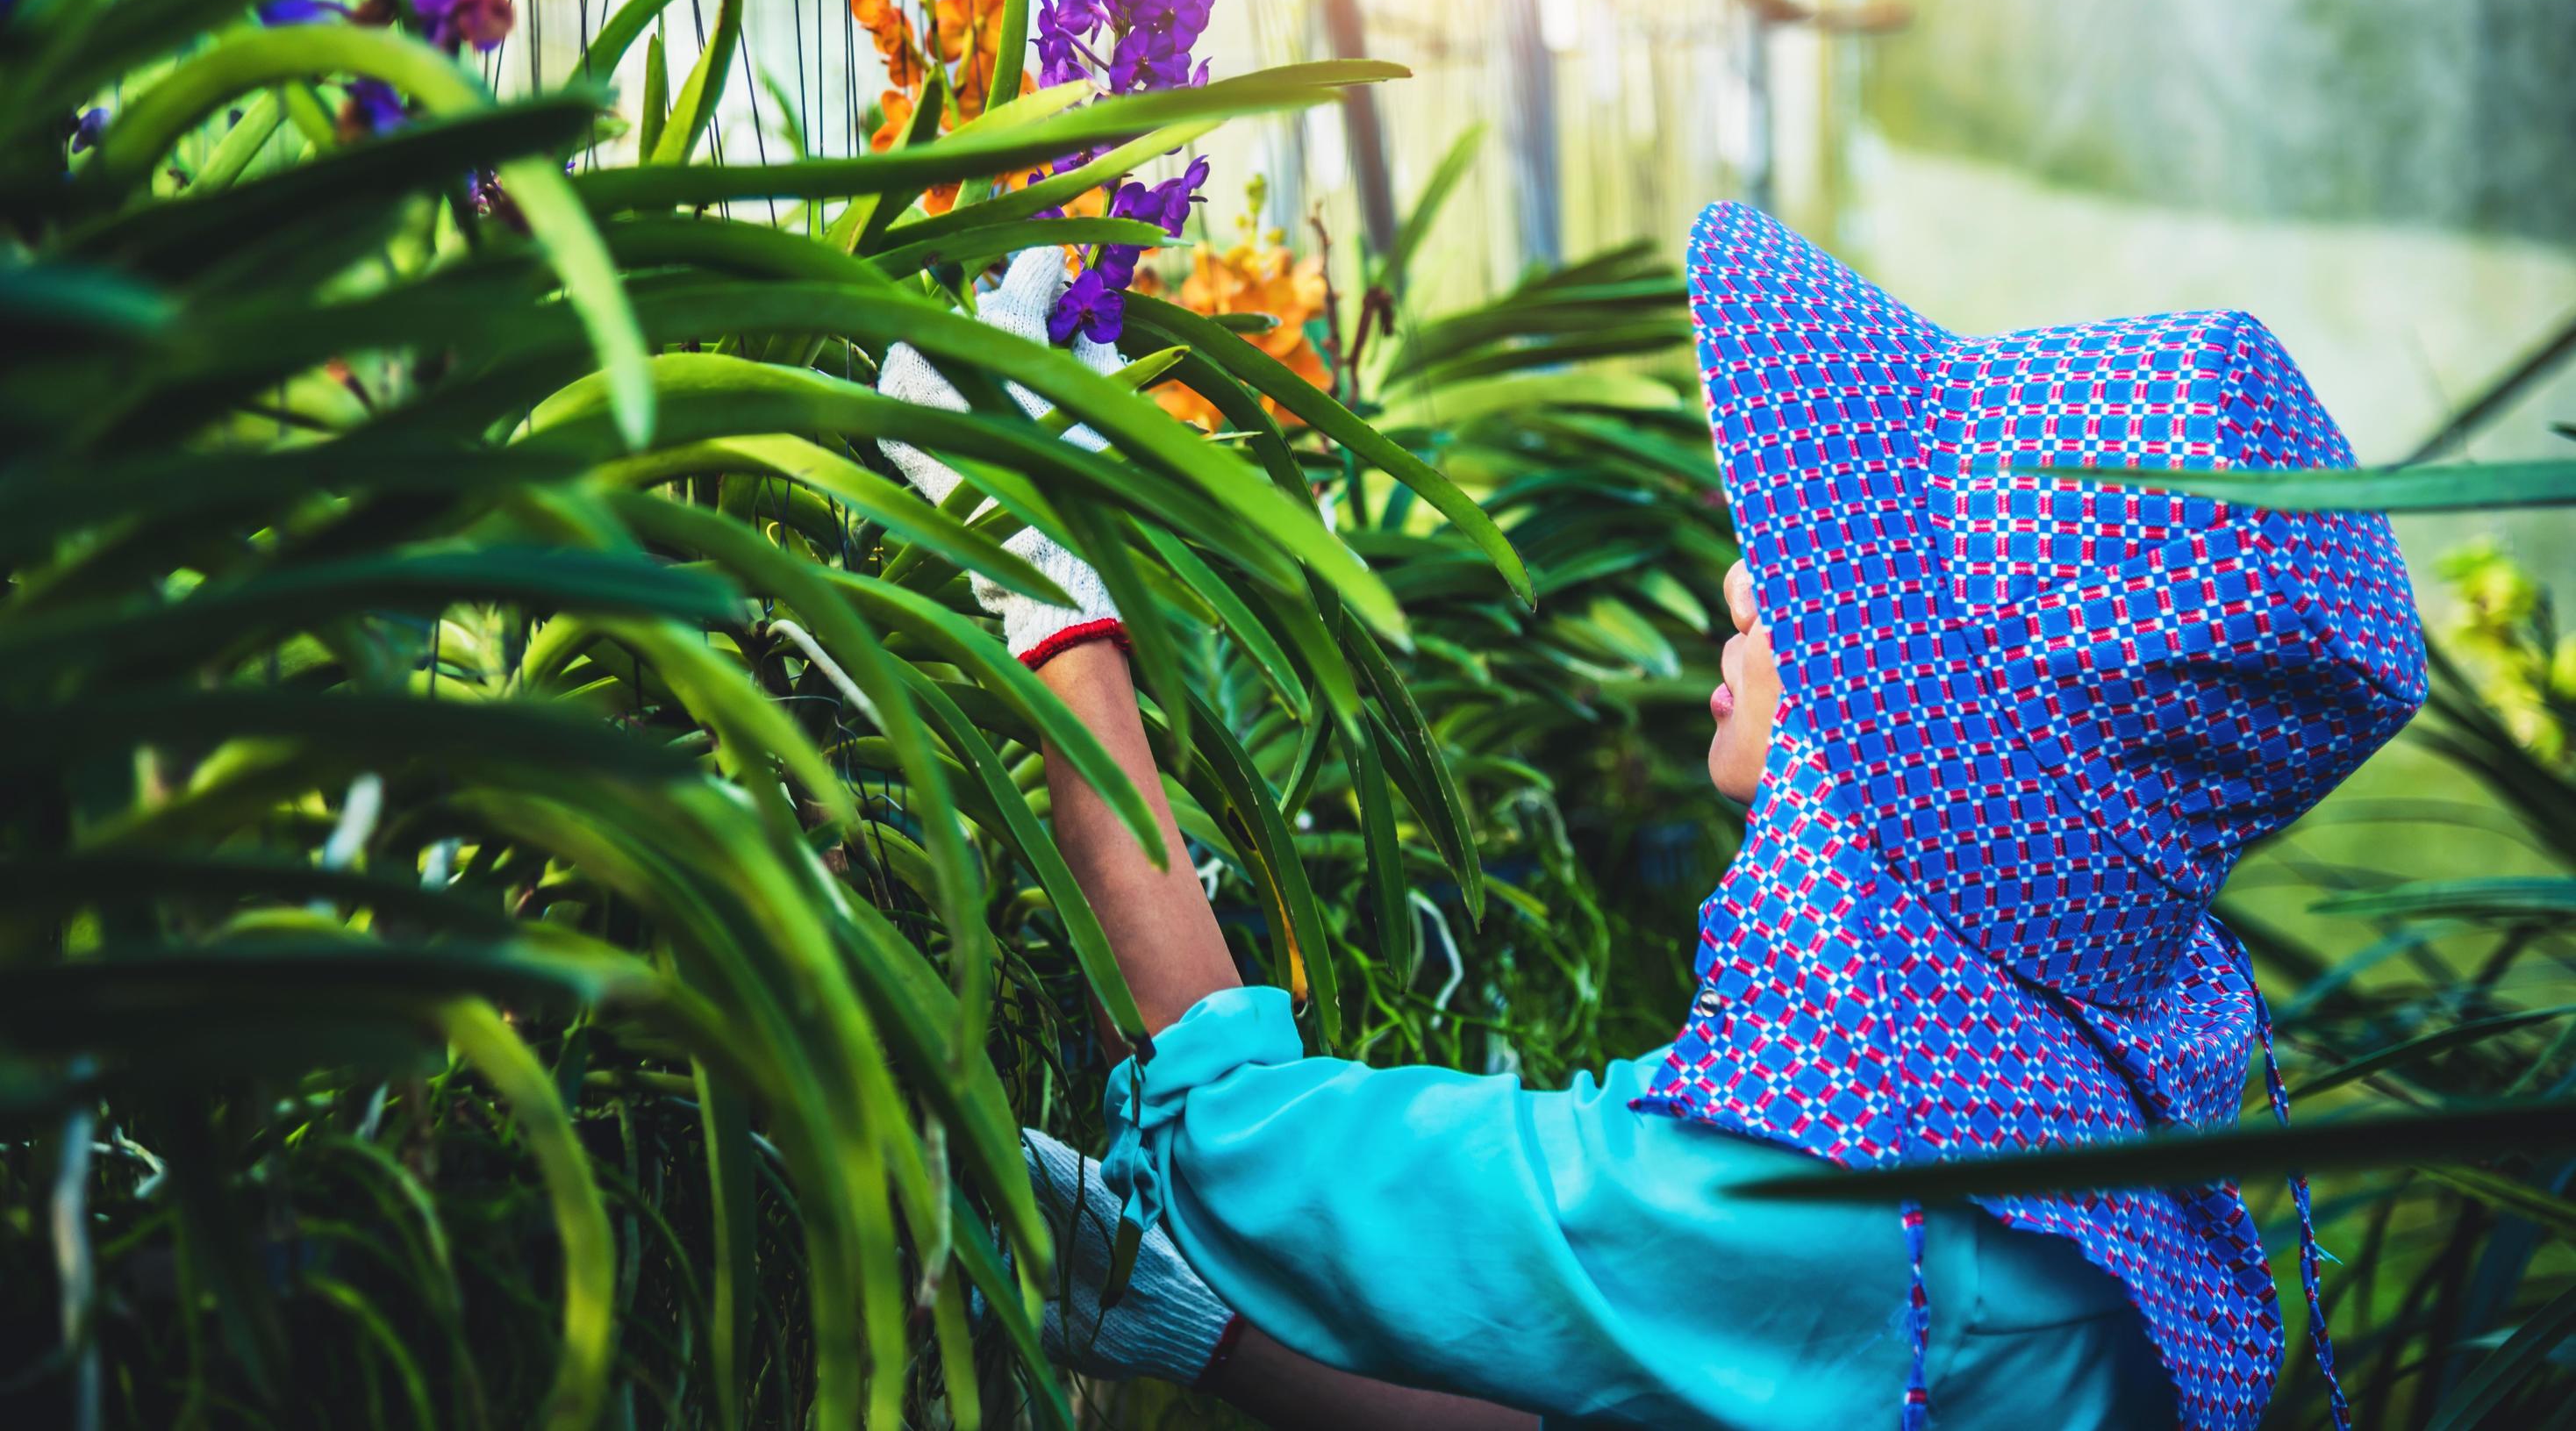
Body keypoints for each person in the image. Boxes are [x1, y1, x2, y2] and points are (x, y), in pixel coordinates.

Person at [877, 202, 2426, 1430]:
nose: (1753, 582)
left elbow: (1245, 1148)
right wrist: (1209, 1338)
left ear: (1928, 746)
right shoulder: (2029, 1099)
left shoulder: (1840, 1202)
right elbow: (1602, 1394)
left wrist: (1048, 605)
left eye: (1847, 583)